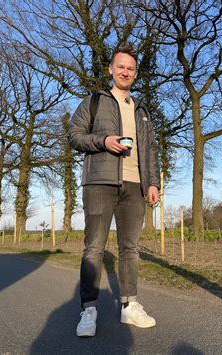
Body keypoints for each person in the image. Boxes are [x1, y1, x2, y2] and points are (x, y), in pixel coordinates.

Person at [68, 46, 161, 337]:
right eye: (120, 67)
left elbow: (150, 150)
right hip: (99, 183)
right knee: (94, 247)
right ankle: (89, 310)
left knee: (129, 249)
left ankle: (129, 306)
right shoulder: (93, 102)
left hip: (135, 188)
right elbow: (74, 136)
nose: (125, 72)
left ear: (135, 73)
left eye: (131, 69)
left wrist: (153, 182)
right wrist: (103, 140)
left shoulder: (142, 110)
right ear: (110, 69)